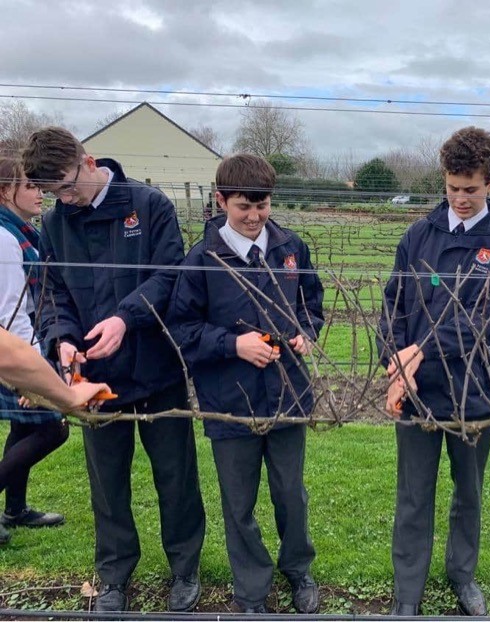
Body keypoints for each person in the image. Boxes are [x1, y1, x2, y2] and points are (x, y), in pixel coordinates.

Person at [22, 127, 206, 613]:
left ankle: (185, 569)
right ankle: (114, 576)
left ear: (88, 161)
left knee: (176, 476)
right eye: (51, 193)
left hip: (156, 370)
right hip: (94, 383)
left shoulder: (148, 205)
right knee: (107, 484)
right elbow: (51, 292)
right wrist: (61, 339)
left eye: (65, 186)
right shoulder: (57, 225)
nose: (62, 199)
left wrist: (127, 318)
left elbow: (171, 275)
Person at [167, 153, 324, 614]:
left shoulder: (291, 247)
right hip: (229, 400)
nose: (254, 217)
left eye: (262, 205)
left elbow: (311, 302)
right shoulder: (203, 260)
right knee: (239, 504)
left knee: (290, 494)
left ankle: (298, 570)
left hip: (287, 394)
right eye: (243, 207)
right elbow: (181, 327)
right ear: (221, 202)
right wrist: (233, 345)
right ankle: (252, 590)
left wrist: (305, 333)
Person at [377, 127, 490, 616]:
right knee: (413, 497)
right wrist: (396, 362)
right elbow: (393, 304)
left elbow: (481, 321)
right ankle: (408, 593)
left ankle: (462, 576)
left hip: (474, 391)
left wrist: (418, 350)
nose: (461, 199)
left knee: (469, 493)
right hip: (416, 391)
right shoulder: (417, 236)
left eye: (471, 190)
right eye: (453, 188)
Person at [0, 157, 69, 545]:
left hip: (20, 345)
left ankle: (16, 509)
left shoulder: (19, 231)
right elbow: (11, 312)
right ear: (5, 190)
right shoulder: (6, 238)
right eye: (29, 185)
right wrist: (33, 370)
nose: (38, 192)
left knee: (24, 426)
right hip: (15, 349)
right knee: (51, 428)